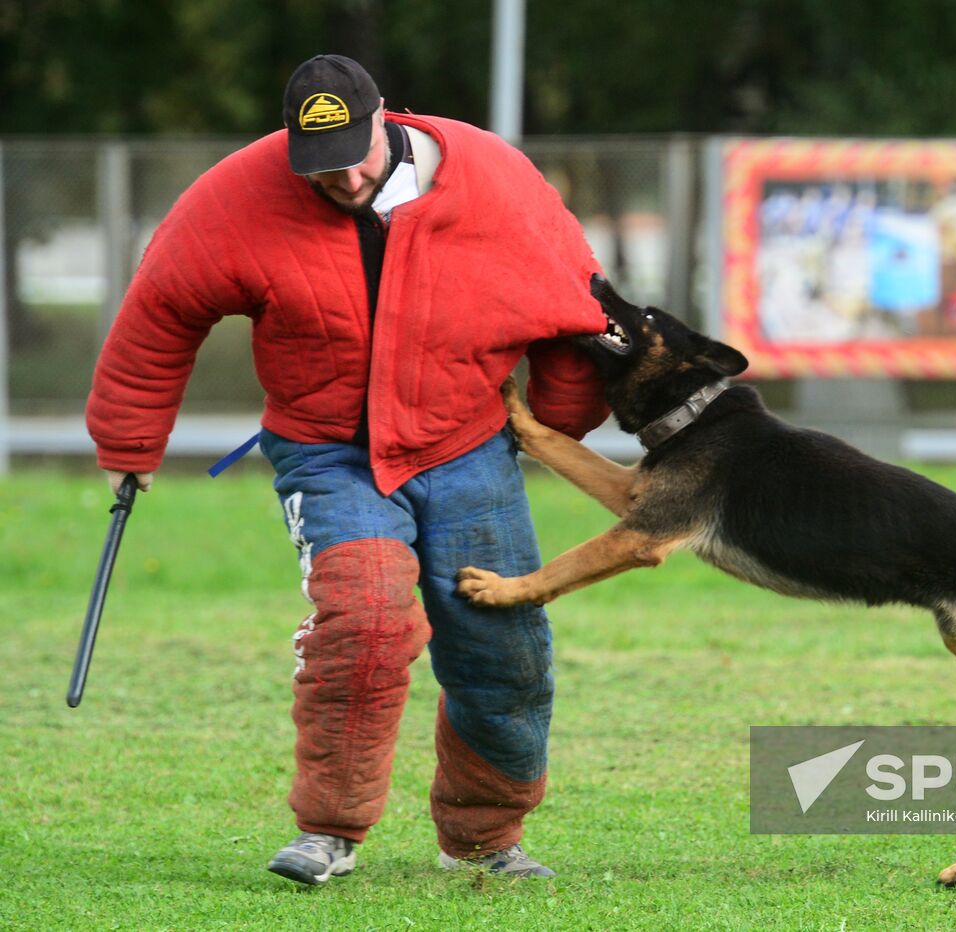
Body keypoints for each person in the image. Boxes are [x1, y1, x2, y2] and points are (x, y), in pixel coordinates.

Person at [85, 54, 610, 884]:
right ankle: (328, 830)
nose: (339, 177)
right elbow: (161, 310)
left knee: (502, 649)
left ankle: (484, 837)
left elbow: (574, 301)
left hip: (466, 444)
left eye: (353, 156)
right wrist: (129, 443)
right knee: (366, 620)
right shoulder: (238, 195)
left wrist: (561, 420)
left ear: (384, 124)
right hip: (328, 451)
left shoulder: (491, 177)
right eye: (316, 164)